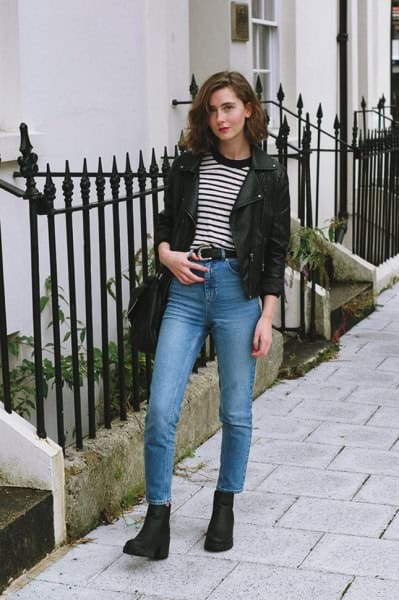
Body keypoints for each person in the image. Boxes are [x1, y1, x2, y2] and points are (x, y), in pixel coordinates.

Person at [123, 71, 290, 560]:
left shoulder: (270, 173)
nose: (220, 118)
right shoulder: (189, 165)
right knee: (160, 410)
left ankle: (224, 506)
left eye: (229, 108)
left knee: (236, 412)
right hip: (187, 290)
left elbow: (276, 250)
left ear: (249, 111)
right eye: (213, 109)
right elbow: (166, 222)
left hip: (239, 292)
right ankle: (158, 521)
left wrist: (267, 315)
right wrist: (166, 254)